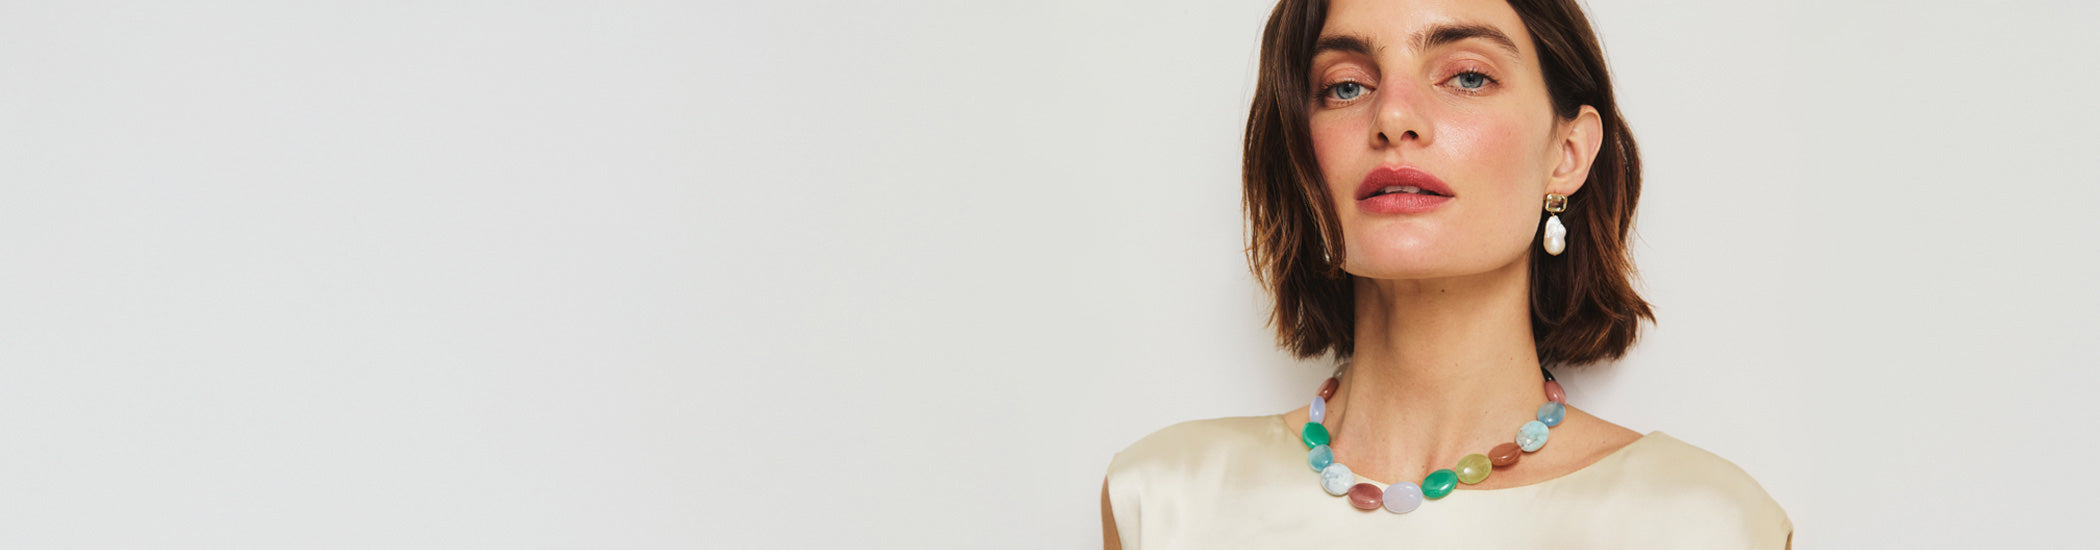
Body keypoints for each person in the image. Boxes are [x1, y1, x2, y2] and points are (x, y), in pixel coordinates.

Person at [1099, 0, 1792, 547]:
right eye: (1344, 86)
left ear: (1569, 152)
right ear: (1303, 158)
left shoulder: (1705, 525)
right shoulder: (1166, 503)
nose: (1393, 116)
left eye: (1467, 76)